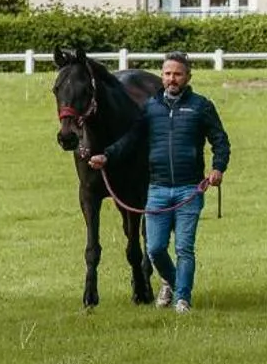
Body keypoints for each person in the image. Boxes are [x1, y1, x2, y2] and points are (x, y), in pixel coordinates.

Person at [91, 52, 229, 312]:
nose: (171, 79)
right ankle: (175, 284)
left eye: (177, 74)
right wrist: (106, 156)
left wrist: (217, 168)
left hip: (190, 189)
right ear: (162, 76)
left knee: (184, 248)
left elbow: (220, 140)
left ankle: (182, 299)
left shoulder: (201, 106)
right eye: (167, 74)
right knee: (154, 249)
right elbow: (131, 139)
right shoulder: (151, 108)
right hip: (157, 189)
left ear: (188, 77)